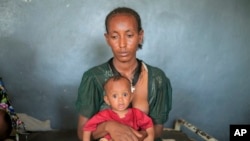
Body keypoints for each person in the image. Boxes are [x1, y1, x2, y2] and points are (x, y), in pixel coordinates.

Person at [76, 7, 172, 141]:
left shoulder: (157, 79)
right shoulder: (93, 78)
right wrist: (108, 127)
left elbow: (158, 128)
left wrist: (135, 137)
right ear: (107, 39)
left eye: (129, 35)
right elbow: (82, 132)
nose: (122, 44)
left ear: (140, 36)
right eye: (115, 37)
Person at [83, 75, 154, 141]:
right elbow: (88, 127)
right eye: (115, 96)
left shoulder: (136, 114)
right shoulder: (104, 115)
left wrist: (150, 136)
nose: (120, 99)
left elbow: (148, 124)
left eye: (125, 94)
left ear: (131, 97)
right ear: (107, 100)